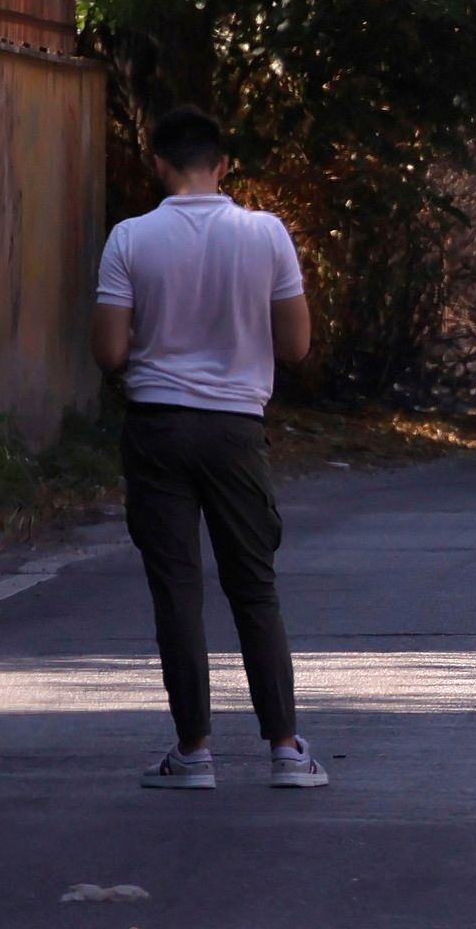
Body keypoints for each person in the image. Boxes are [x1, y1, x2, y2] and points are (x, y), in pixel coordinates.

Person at [93, 106, 328, 790]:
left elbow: (109, 352)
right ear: (223, 165)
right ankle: (285, 748)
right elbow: (296, 345)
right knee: (253, 586)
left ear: (158, 165)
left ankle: (193, 751)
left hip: (158, 427)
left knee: (177, 592)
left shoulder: (130, 239)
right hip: (235, 430)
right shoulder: (267, 235)